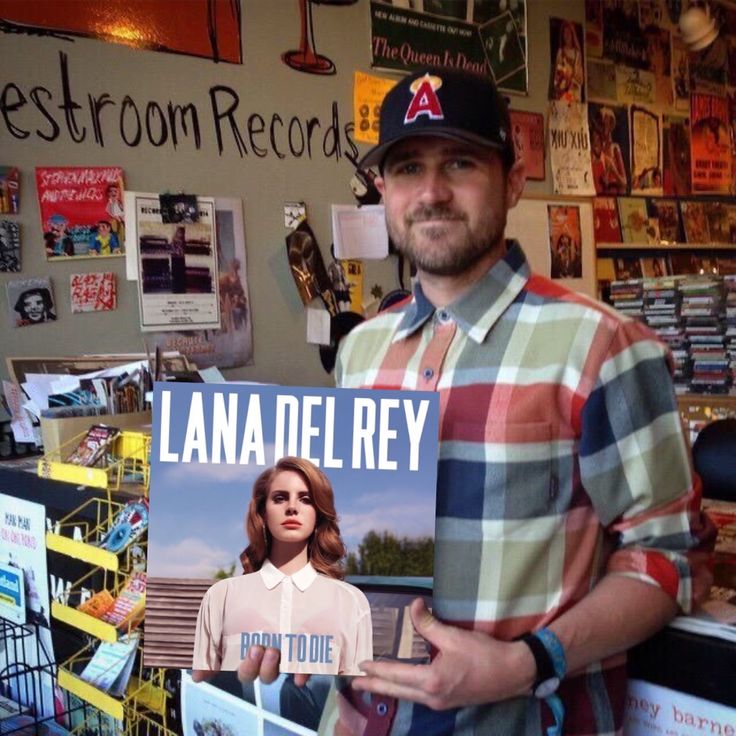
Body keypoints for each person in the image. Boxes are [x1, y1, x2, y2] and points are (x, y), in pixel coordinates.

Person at [308, 67, 709, 735]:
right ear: (383, 191)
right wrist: (282, 618)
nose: (431, 192)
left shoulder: (603, 346)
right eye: (408, 168)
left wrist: (527, 662)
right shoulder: (361, 352)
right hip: (358, 721)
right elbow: (342, 541)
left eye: (460, 162)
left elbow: (670, 558)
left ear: (513, 178)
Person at [192, 456, 372, 677]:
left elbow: (356, 699)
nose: (292, 508)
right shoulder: (221, 596)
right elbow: (202, 686)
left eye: (306, 499)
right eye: (280, 498)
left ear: (318, 513)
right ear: (263, 512)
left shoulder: (351, 602)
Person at [551, 20, 584, 101]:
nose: (567, 36)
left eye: (569, 33)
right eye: (565, 33)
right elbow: (557, 75)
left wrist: (573, 78)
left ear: (572, 35)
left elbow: (580, 77)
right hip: (563, 91)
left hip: (574, 92)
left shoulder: (577, 53)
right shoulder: (560, 52)